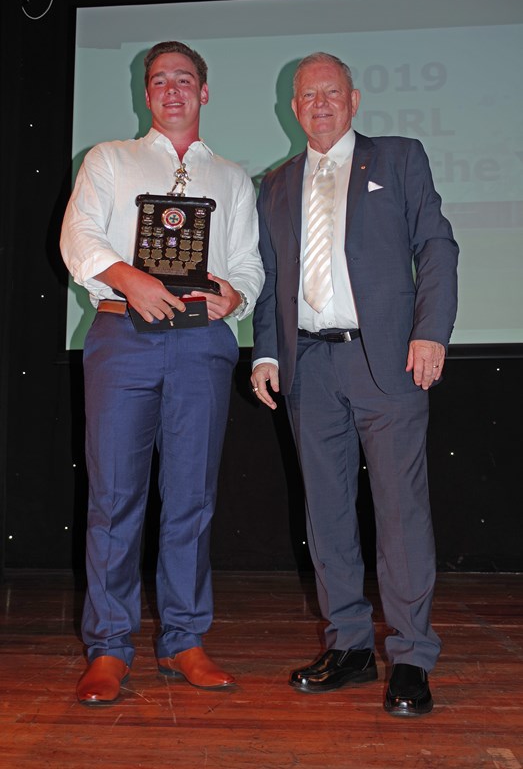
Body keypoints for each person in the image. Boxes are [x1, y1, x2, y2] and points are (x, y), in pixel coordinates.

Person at [250, 52, 458, 716]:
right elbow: (269, 281)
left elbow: (435, 247)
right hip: (308, 367)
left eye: (330, 93)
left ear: (354, 98)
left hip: (388, 361)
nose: (319, 104)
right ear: (292, 107)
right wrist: (265, 354)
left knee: (399, 512)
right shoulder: (274, 183)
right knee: (328, 513)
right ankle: (348, 646)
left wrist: (430, 331)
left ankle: (411, 655)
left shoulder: (397, 158)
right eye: (306, 96)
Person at [61, 41, 264, 705]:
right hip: (123, 333)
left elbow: (248, 266)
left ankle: (183, 640)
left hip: (202, 342)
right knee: (114, 497)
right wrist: (128, 277)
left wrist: (236, 297)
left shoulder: (232, 178)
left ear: (204, 92)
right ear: (146, 95)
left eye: (183, 80)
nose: (171, 90)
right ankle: (110, 648)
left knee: (190, 498)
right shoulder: (109, 159)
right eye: (158, 81)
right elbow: (78, 237)